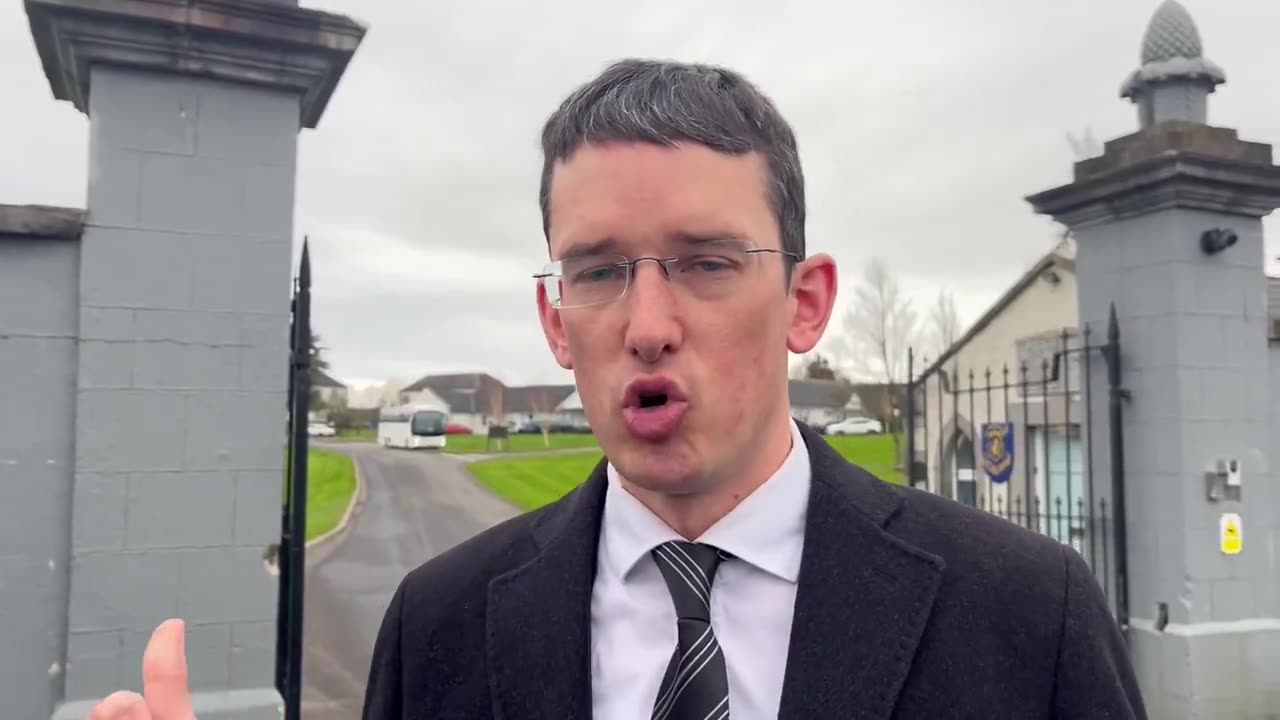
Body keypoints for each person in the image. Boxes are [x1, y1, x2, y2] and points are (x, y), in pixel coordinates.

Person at [87, 59, 1146, 720]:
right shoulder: (440, 625)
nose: (645, 326)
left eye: (705, 259)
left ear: (806, 302)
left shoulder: (1023, 613)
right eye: (597, 271)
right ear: (556, 321)